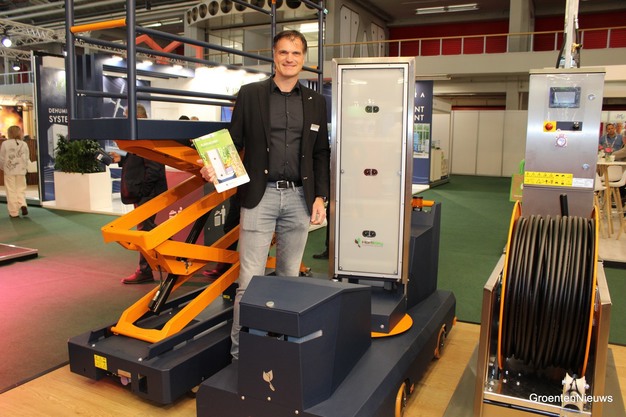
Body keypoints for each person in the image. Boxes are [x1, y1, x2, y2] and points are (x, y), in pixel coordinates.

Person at [200, 30, 330, 360]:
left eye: (296, 53)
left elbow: (321, 152)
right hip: (261, 196)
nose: (289, 58)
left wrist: (320, 197)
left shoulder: (316, 102)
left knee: (289, 279)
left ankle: (280, 349)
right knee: (249, 282)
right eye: (283, 52)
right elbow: (233, 141)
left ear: (304, 59)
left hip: (300, 198)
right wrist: (213, 166)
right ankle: (242, 356)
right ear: (274, 56)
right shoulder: (251, 94)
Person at [110, 104, 168, 284]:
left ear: (138, 117)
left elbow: (154, 168)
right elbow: (140, 162)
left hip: (147, 194)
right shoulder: (142, 136)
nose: (125, 121)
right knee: (147, 229)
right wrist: (122, 160)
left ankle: (146, 270)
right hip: (145, 193)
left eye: (127, 117)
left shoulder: (147, 137)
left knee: (145, 231)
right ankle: (152, 267)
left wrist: (143, 192)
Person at [0, 126, 29, 218]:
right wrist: (25, 168)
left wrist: (2, 168)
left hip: (9, 171)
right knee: (21, 189)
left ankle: (14, 212)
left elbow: (2, 158)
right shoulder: (24, 144)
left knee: (11, 190)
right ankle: (22, 204)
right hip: (21, 170)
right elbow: (27, 158)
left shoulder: (5, 143)